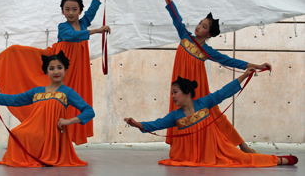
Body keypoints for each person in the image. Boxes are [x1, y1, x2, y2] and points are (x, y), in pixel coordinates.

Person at [0, 0, 110, 145]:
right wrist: (97, 31)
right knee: (16, 51)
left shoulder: (84, 23)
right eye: (67, 9)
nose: (71, 12)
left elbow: (95, 4)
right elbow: (73, 36)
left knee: (68, 99)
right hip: (57, 58)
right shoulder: (63, 26)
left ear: (79, 11)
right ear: (62, 11)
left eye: (74, 9)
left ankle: (61, 135)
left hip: (76, 67)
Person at [157, 0, 271, 153]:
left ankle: (242, 145)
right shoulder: (184, 36)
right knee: (180, 112)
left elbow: (230, 61)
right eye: (199, 23)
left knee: (214, 114)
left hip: (197, 87)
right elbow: (174, 14)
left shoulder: (207, 51)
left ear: (208, 33)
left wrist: (257, 65)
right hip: (180, 85)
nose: (198, 27)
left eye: (203, 26)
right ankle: (185, 148)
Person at [124, 69, 298, 167]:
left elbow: (224, 92)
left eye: (175, 92)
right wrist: (136, 123)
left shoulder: (205, 103)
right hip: (190, 157)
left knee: (244, 159)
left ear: (187, 92)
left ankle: (280, 160)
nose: (173, 97)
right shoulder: (175, 116)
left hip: (218, 150)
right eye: (172, 93)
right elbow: (156, 124)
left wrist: (245, 74)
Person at [0, 51, 95, 167]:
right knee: (16, 133)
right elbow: (14, 99)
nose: (56, 71)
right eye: (51, 68)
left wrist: (69, 121)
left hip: (52, 134)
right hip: (34, 128)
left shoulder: (68, 92)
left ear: (65, 70)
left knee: (26, 136)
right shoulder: (36, 91)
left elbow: (89, 111)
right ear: (47, 71)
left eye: (60, 68)